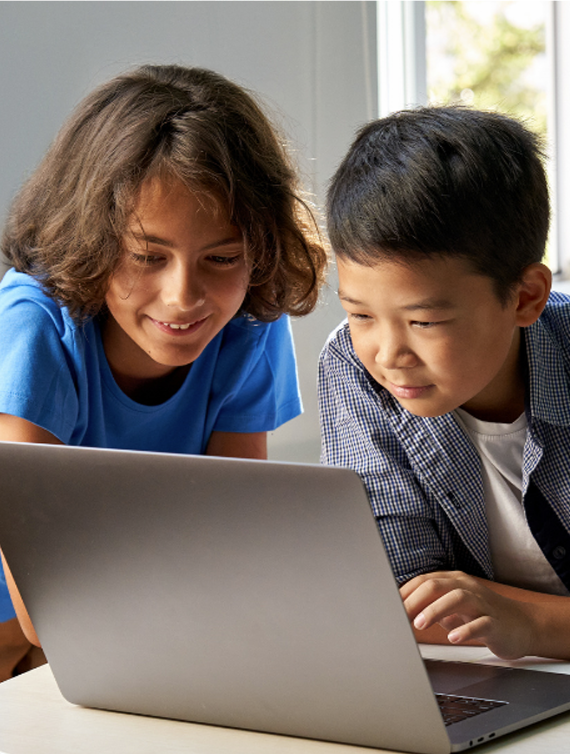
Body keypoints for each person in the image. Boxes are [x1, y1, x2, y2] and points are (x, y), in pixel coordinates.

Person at [0, 64, 327, 679]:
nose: (183, 297)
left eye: (223, 257)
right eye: (148, 257)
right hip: (45, 615)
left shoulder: (249, 324)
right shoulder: (35, 325)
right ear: (92, 238)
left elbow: (232, 538)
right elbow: (48, 615)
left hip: (122, 623)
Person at [319, 105, 570, 661]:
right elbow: (400, 599)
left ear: (526, 297)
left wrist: (531, 623)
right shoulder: (351, 367)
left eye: (424, 322)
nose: (387, 355)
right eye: (361, 315)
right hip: (496, 681)